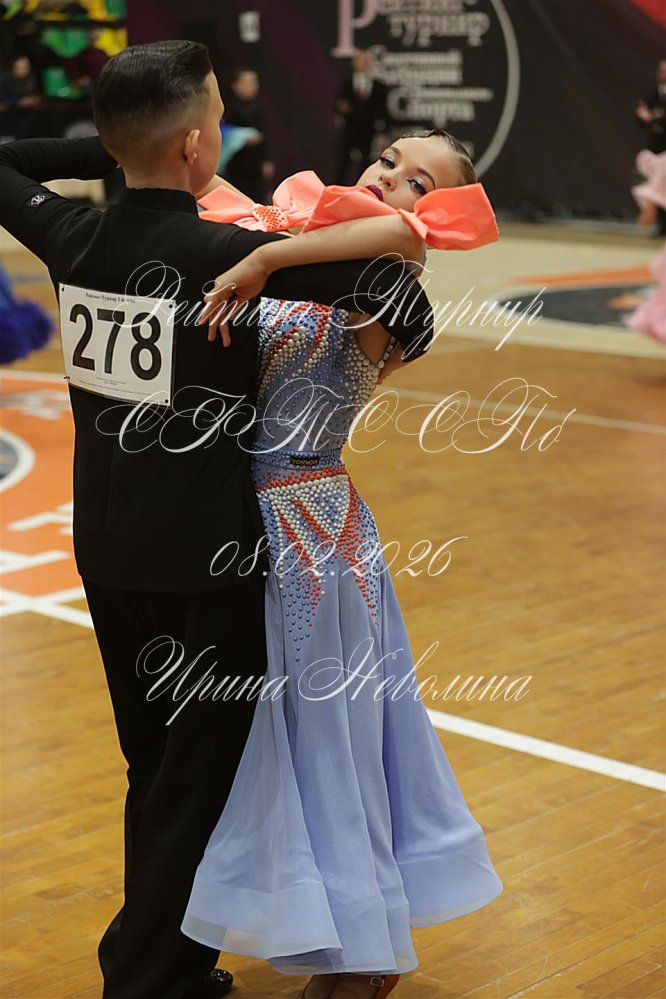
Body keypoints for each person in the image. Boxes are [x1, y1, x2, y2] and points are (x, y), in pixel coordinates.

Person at [0, 39, 435, 999]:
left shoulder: (72, 237)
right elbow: (396, 269)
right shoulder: (223, 257)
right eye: (214, 122)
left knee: (154, 764)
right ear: (198, 145)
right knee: (198, 778)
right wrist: (275, 249)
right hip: (210, 562)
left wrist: (116, 148)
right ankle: (145, 976)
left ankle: (175, 962)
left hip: (104, 548)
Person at [180, 130, 504, 999]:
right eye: (390, 159)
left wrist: (261, 258)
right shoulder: (301, 241)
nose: (390, 177)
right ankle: (298, 920)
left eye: (418, 181)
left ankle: (363, 949)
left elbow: (396, 236)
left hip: (308, 524)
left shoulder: (388, 279)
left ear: (435, 213)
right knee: (258, 739)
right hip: (238, 518)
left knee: (330, 739)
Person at [334, 49, 388, 186]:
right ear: (354, 63)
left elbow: (383, 112)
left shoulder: (378, 86)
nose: (365, 64)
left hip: (368, 131)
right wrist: (342, 107)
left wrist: (383, 132)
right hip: (349, 129)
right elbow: (338, 104)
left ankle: (364, 189)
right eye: (362, 61)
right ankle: (337, 189)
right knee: (342, 164)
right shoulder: (347, 83)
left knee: (366, 164)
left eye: (367, 61)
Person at [222, 67, 274, 204]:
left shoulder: (257, 107)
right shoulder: (227, 108)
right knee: (239, 197)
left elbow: (263, 136)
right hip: (236, 163)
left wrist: (265, 160)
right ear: (235, 85)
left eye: (253, 82)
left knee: (257, 197)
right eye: (246, 82)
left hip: (254, 163)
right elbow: (222, 132)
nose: (251, 86)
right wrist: (242, 137)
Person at [635, 58, 666, 235]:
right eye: (661, 71)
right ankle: (661, 225)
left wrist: (653, 118)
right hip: (656, 150)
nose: (663, 75)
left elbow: (654, 117)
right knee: (658, 186)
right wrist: (647, 118)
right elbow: (640, 115)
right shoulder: (653, 96)